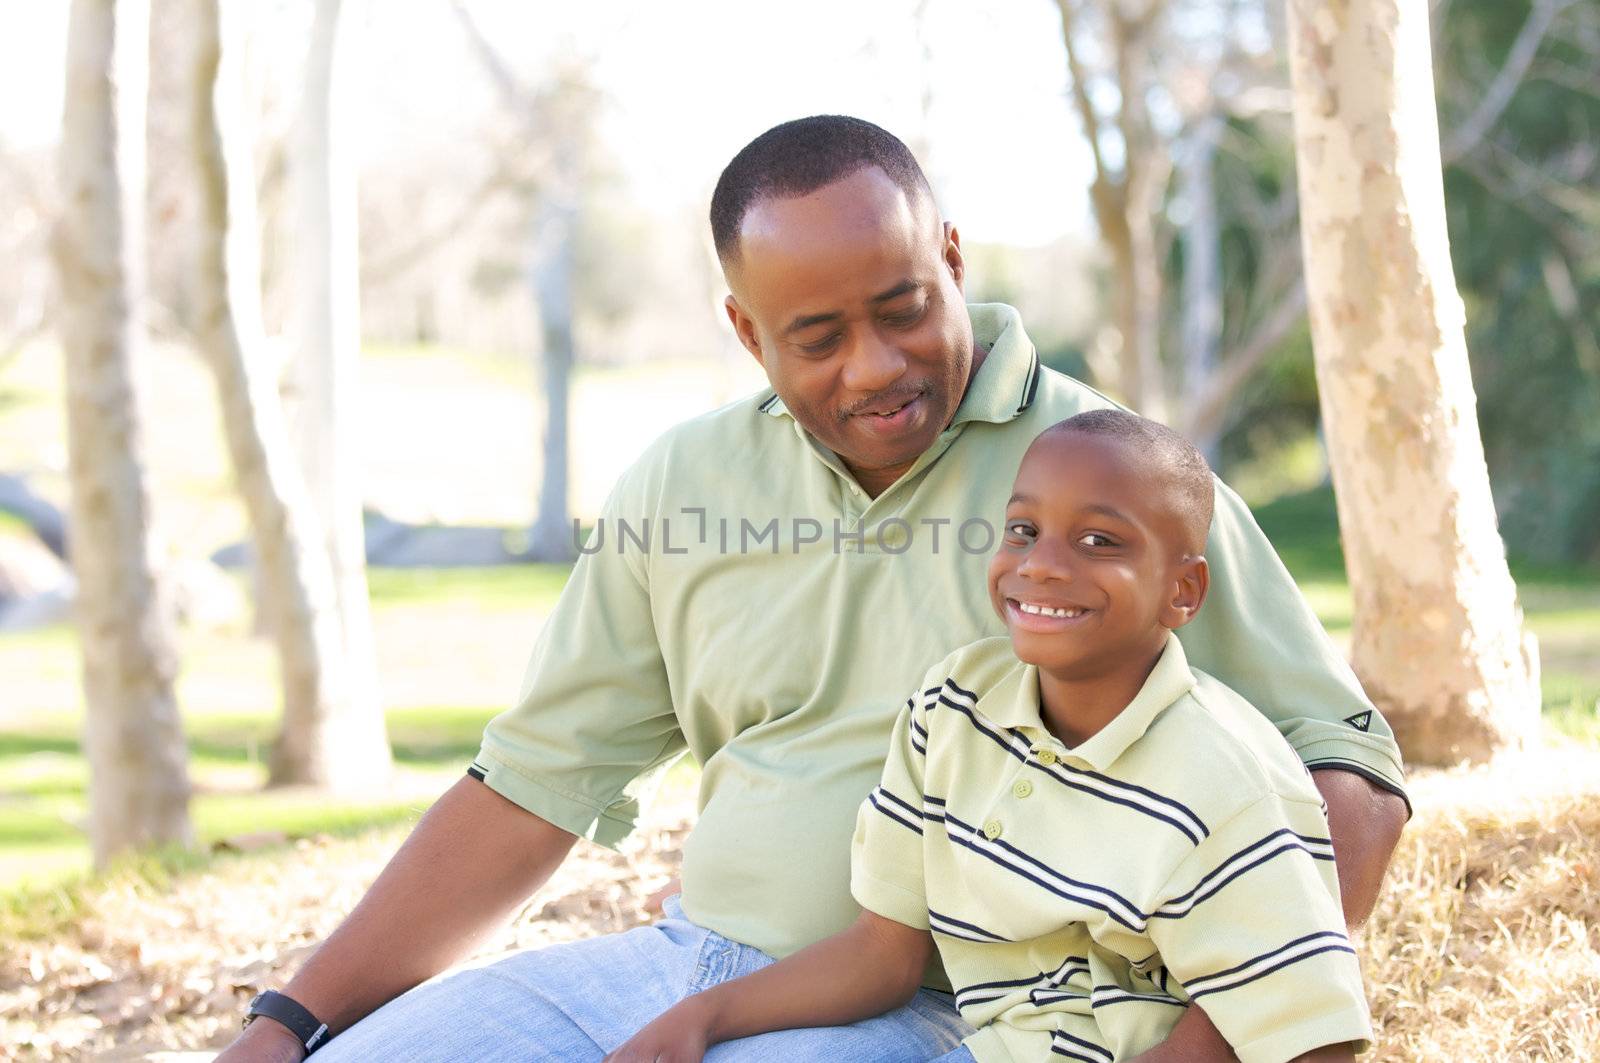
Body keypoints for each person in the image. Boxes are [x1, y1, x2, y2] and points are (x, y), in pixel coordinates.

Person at [219, 116, 1407, 1063]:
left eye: (902, 311)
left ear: (950, 259)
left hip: (965, 1016)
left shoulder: (1105, 479)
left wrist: (1214, 1045)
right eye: (819, 337)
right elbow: (531, 786)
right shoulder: (684, 480)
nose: (876, 367)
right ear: (747, 332)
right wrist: (292, 1016)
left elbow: (1347, 776)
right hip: (689, 965)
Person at [604, 410, 1373, 1063]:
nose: (1041, 565)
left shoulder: (1221, 779)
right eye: (1024, 529)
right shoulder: (954, 706)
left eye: (1100, 540)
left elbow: (1314, 1035)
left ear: (1184, 589)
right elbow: (882, 952)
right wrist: (702, 1017)